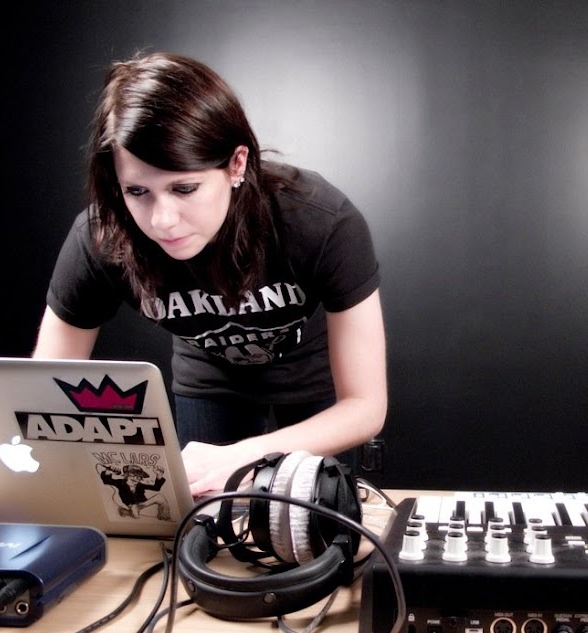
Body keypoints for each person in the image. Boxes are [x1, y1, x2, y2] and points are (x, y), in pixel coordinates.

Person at [33, 52, 387, 497]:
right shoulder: (103, 236)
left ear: (236, 164)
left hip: (312, 372)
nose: (162, 220)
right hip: (209, 375)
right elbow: (43, 396)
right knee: (204, 517)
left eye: (184, 188)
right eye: (137, 191)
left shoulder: (321, 221)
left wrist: (245, 456)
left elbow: (366, 406)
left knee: (319, 517)